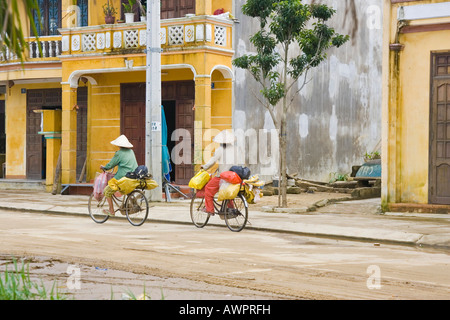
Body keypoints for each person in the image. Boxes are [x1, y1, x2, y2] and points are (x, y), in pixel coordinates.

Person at [101, 135, 138, 216]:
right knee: (128, 191)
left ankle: (111, 210)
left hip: (122, 177)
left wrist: (104, 167)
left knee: (106, 191)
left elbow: (111, 164)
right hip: (133, 176)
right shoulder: (131, 152)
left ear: (119, 145)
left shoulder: (119, 153)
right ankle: (135, 204)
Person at [201, 130, 237, 214]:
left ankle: (209, 209)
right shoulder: (235, 149)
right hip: (234, 176)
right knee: (228, 193)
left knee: (208, 189)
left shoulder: (220, 150)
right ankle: (231, 209)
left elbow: (212, 161)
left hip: (223, 176)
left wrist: (204, 167)